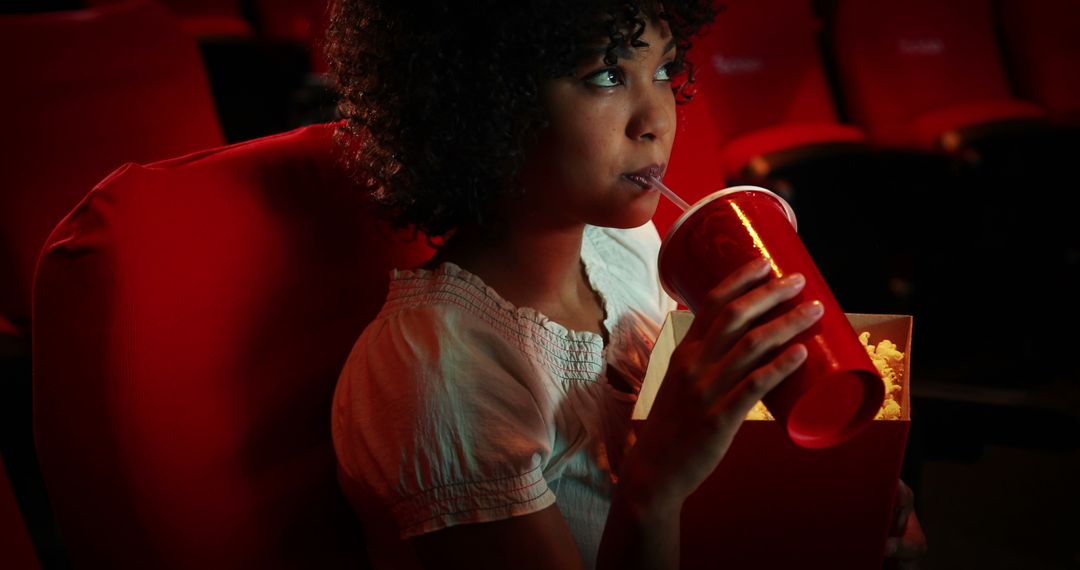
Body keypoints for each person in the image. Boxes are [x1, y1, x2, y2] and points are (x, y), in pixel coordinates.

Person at [328, 1, 927, 568]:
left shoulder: (629, 249)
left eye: (664, 68)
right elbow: (667, 492)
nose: (657, 119)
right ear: (484, 101)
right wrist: (652, 488)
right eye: (607, 75)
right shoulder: (438, 372)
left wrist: (845, 505)